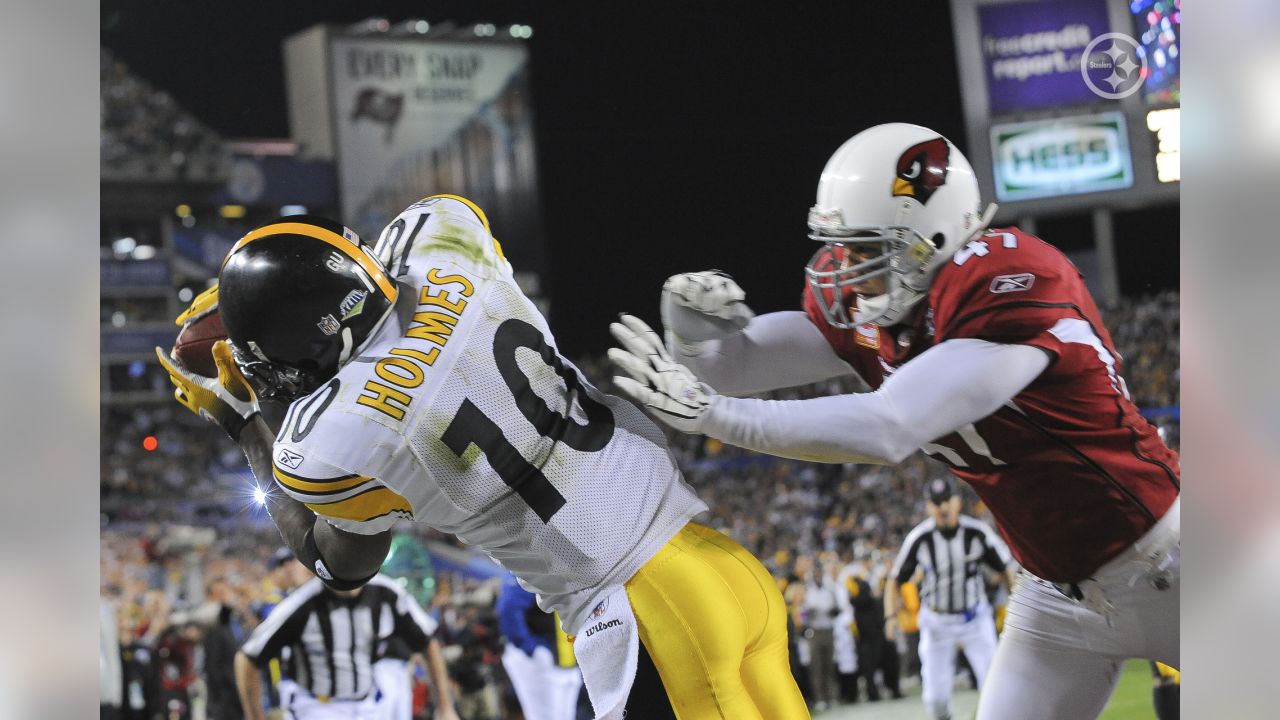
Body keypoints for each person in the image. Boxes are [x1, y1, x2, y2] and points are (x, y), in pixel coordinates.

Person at [606, 123, 1180, 720]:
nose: (845, 267)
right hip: (1055, 594)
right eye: (844, 246)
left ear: (929, 237)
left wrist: (717, 418)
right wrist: (690, 339)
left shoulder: (1009, 280)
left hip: (1168, 563)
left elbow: (891, 426)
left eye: (865, 248)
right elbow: (738, 363)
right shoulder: (890, 308)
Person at [157, 196, 808, 719]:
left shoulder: (333, 437)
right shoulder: (446, 243)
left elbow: (338, 563)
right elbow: (387, 265)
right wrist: (299, 281)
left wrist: (241, 420)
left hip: (644, 611)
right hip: (718, 564)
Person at [233, 573, 459, 720]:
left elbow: (427, 641)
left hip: (368, 704)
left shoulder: (387, 593)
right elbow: (248, 656)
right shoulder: (302, 603)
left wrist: (445, 706)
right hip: (316, 707)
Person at [883, 477, 1013, 719]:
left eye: (946, 500)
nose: (942, 507)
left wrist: (1015, 608)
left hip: (975, 619)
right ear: (928, 506)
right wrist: (890, 616)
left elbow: (1005, 568)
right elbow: (895, 580)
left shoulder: (977, 533)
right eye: (936, 502)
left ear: (957, 502)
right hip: (936, 623)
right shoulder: (919, 538)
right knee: (935, 701)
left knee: (995, 690)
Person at [496, 573, 583, 720]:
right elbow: (508, 609)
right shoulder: (531, 564)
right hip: (541, 662)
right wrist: (532, 648)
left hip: (568, 662)